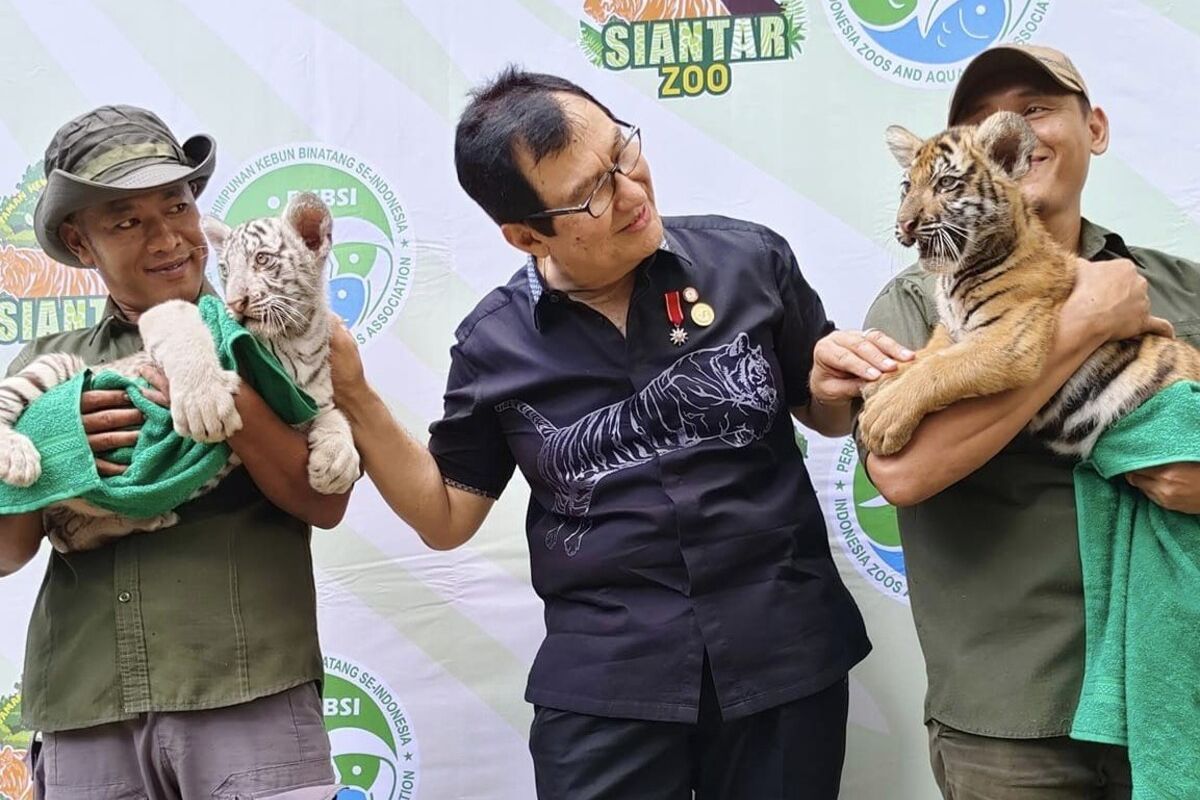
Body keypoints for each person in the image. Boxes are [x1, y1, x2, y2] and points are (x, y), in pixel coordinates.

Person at [327, 68, 908, 799]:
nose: (633, 194)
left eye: (623, 155)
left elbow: (819, 408)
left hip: (781, 653)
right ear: (522, 234)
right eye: (593, 193)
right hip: (609, 680)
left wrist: (831, 388)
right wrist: (351, 392)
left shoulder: (750, 263)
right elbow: (445, 516)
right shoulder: (494, 344)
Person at [861, 44, 1200, 798]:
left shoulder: (1183, 286)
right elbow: (899, 467)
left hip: (1177, 684)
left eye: (1036, 108)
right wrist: (1082, 322)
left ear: (1097, 128)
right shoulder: (918, 303)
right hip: (1014, 712)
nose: (1010, 128)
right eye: (978, 121)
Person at [0, 105, 352, 799]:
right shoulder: (47, 364)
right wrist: (50, 450)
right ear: (79, 242)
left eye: (178, 206)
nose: (168, 239)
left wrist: (217, 390)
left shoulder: (269, 342)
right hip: (85, 703)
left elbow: (324, 500)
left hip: (247, 688)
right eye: (126, 220)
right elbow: (7, 551)